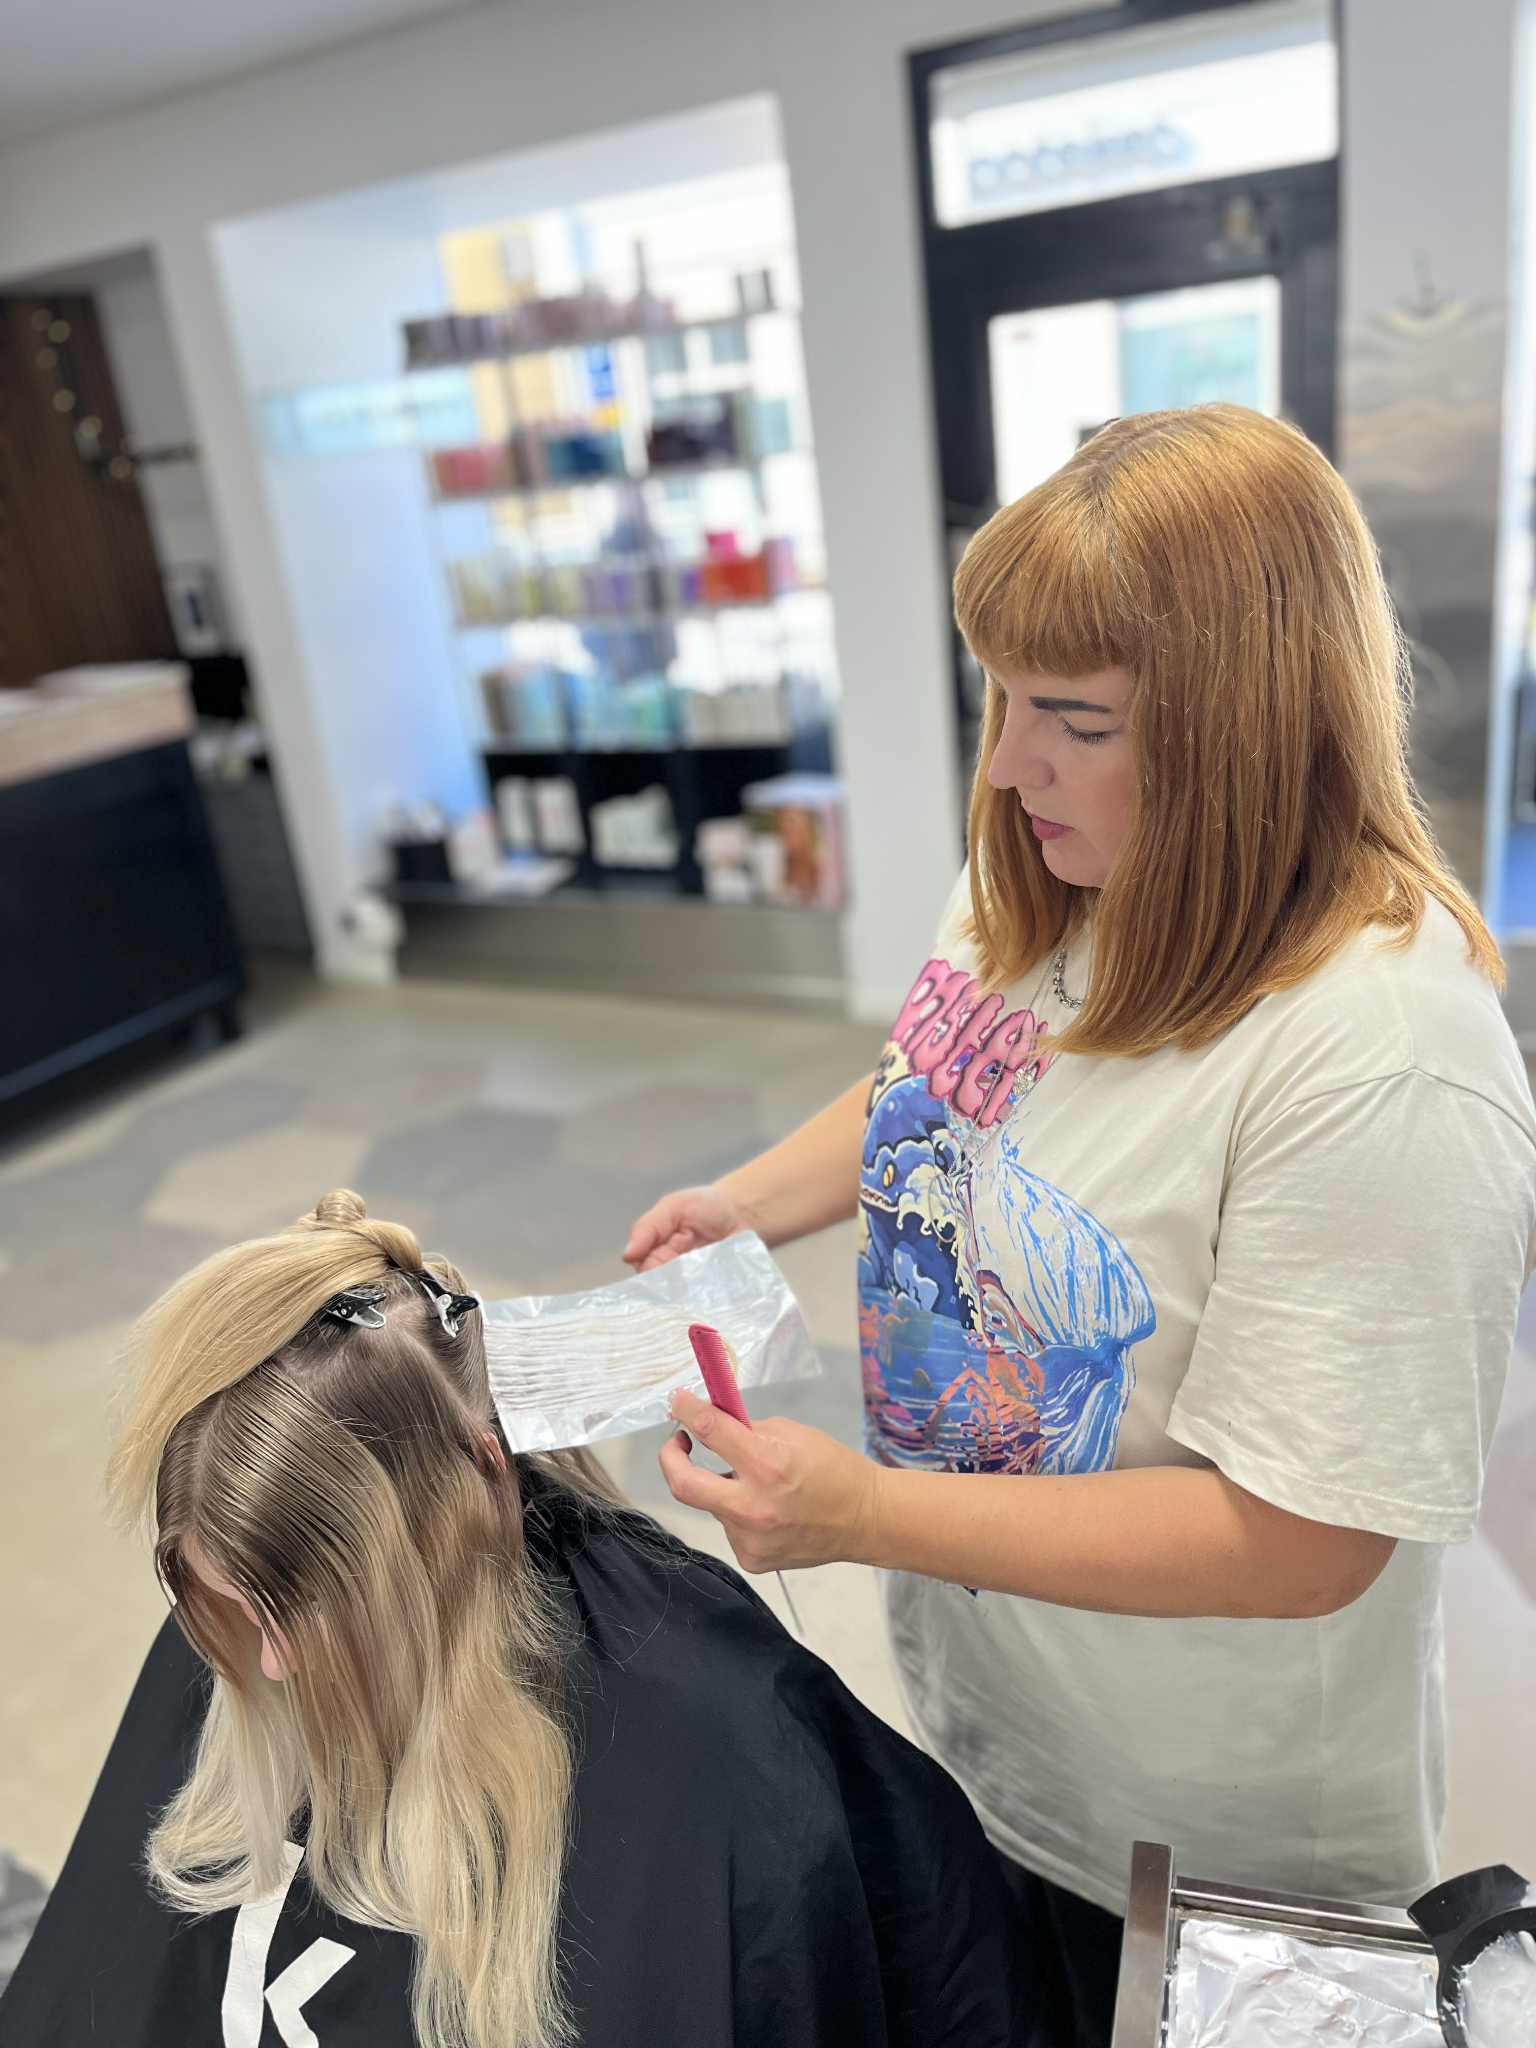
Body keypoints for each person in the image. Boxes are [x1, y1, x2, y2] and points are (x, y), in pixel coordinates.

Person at [626, 405, 1536, 2048]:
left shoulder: (1384, 1055)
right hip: (1000, 1721)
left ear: (1242, 730)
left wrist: (865, 1512)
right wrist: (745, 1200)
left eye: (1072, 718)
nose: (1005, 763)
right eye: (999, 696)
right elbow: (932, 1082)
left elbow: (1302, 1538)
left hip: (1211, 1838)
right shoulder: (1044, 873)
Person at [1, 1191, 1024, 2048]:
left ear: (468, 1486)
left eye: (297, 1609)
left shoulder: (714, 1738)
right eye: (234, 1608)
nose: (269, 1664)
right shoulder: (257, 1613)